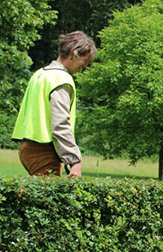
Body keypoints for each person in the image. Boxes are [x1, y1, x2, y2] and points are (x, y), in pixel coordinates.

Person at [12, 31, 96, 178]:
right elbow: (60, 123)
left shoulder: (40, 74)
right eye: (85, 60)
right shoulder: (61, 79)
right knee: (50, 200)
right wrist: (74, 161)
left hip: (27, 148)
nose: (85, 65)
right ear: (73, 54)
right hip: (43, 150)